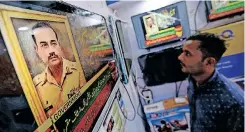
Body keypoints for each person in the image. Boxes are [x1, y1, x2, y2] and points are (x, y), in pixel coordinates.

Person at [178, 33, 244, 132]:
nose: (180, 57)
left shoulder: (233, 102)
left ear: (209, 62)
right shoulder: (193, 81)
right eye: (182, 52)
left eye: (187, 54)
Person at [32, 22, 85, 117]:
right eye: (44, 45)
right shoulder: (36, 85)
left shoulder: (79, 70)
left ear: (59, 45)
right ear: (37, 50)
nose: (51, 51)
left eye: (53, 43)